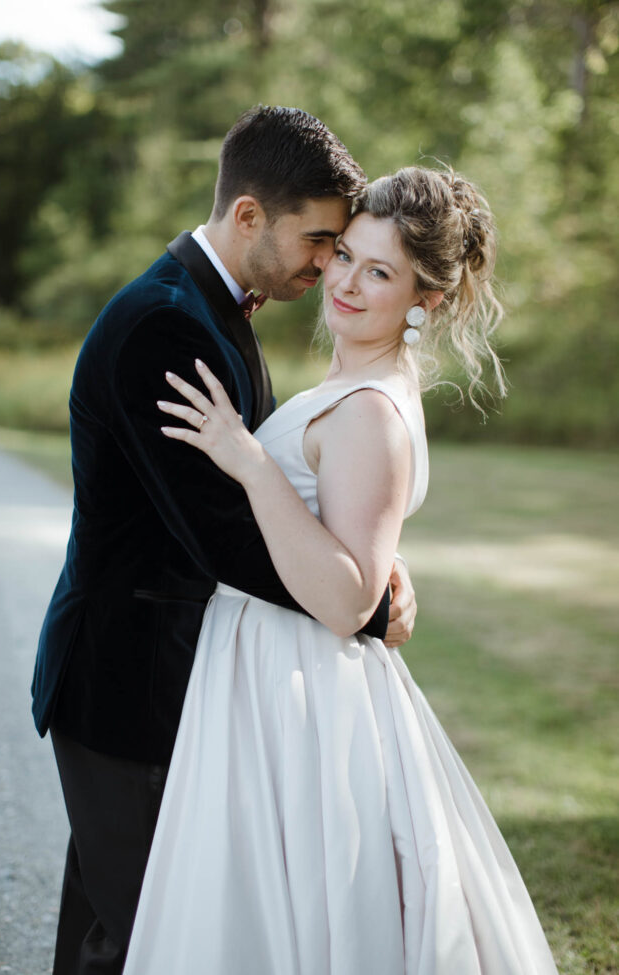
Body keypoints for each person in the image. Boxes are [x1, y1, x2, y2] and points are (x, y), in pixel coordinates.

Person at [122, 166, 559, 974]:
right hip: (271, 670)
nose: (347, 283)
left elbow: (344, 598)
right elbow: (356, 547)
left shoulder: (369, 411)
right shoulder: (358, 382)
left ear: (423, 299)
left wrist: (251, 464)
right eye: (346, 254)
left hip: (301, 686)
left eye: (380, 271)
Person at [31, 105, 417, 975]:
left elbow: (271, 492)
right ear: (249, 216)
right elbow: (221, 535)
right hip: (130, 679)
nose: (328, 265)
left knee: (109, 932)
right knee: (147, 937)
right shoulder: (166, 324)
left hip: (165, 675)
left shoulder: (212, 309)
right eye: (319, 240)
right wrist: (360, 599)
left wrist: (374, 561)